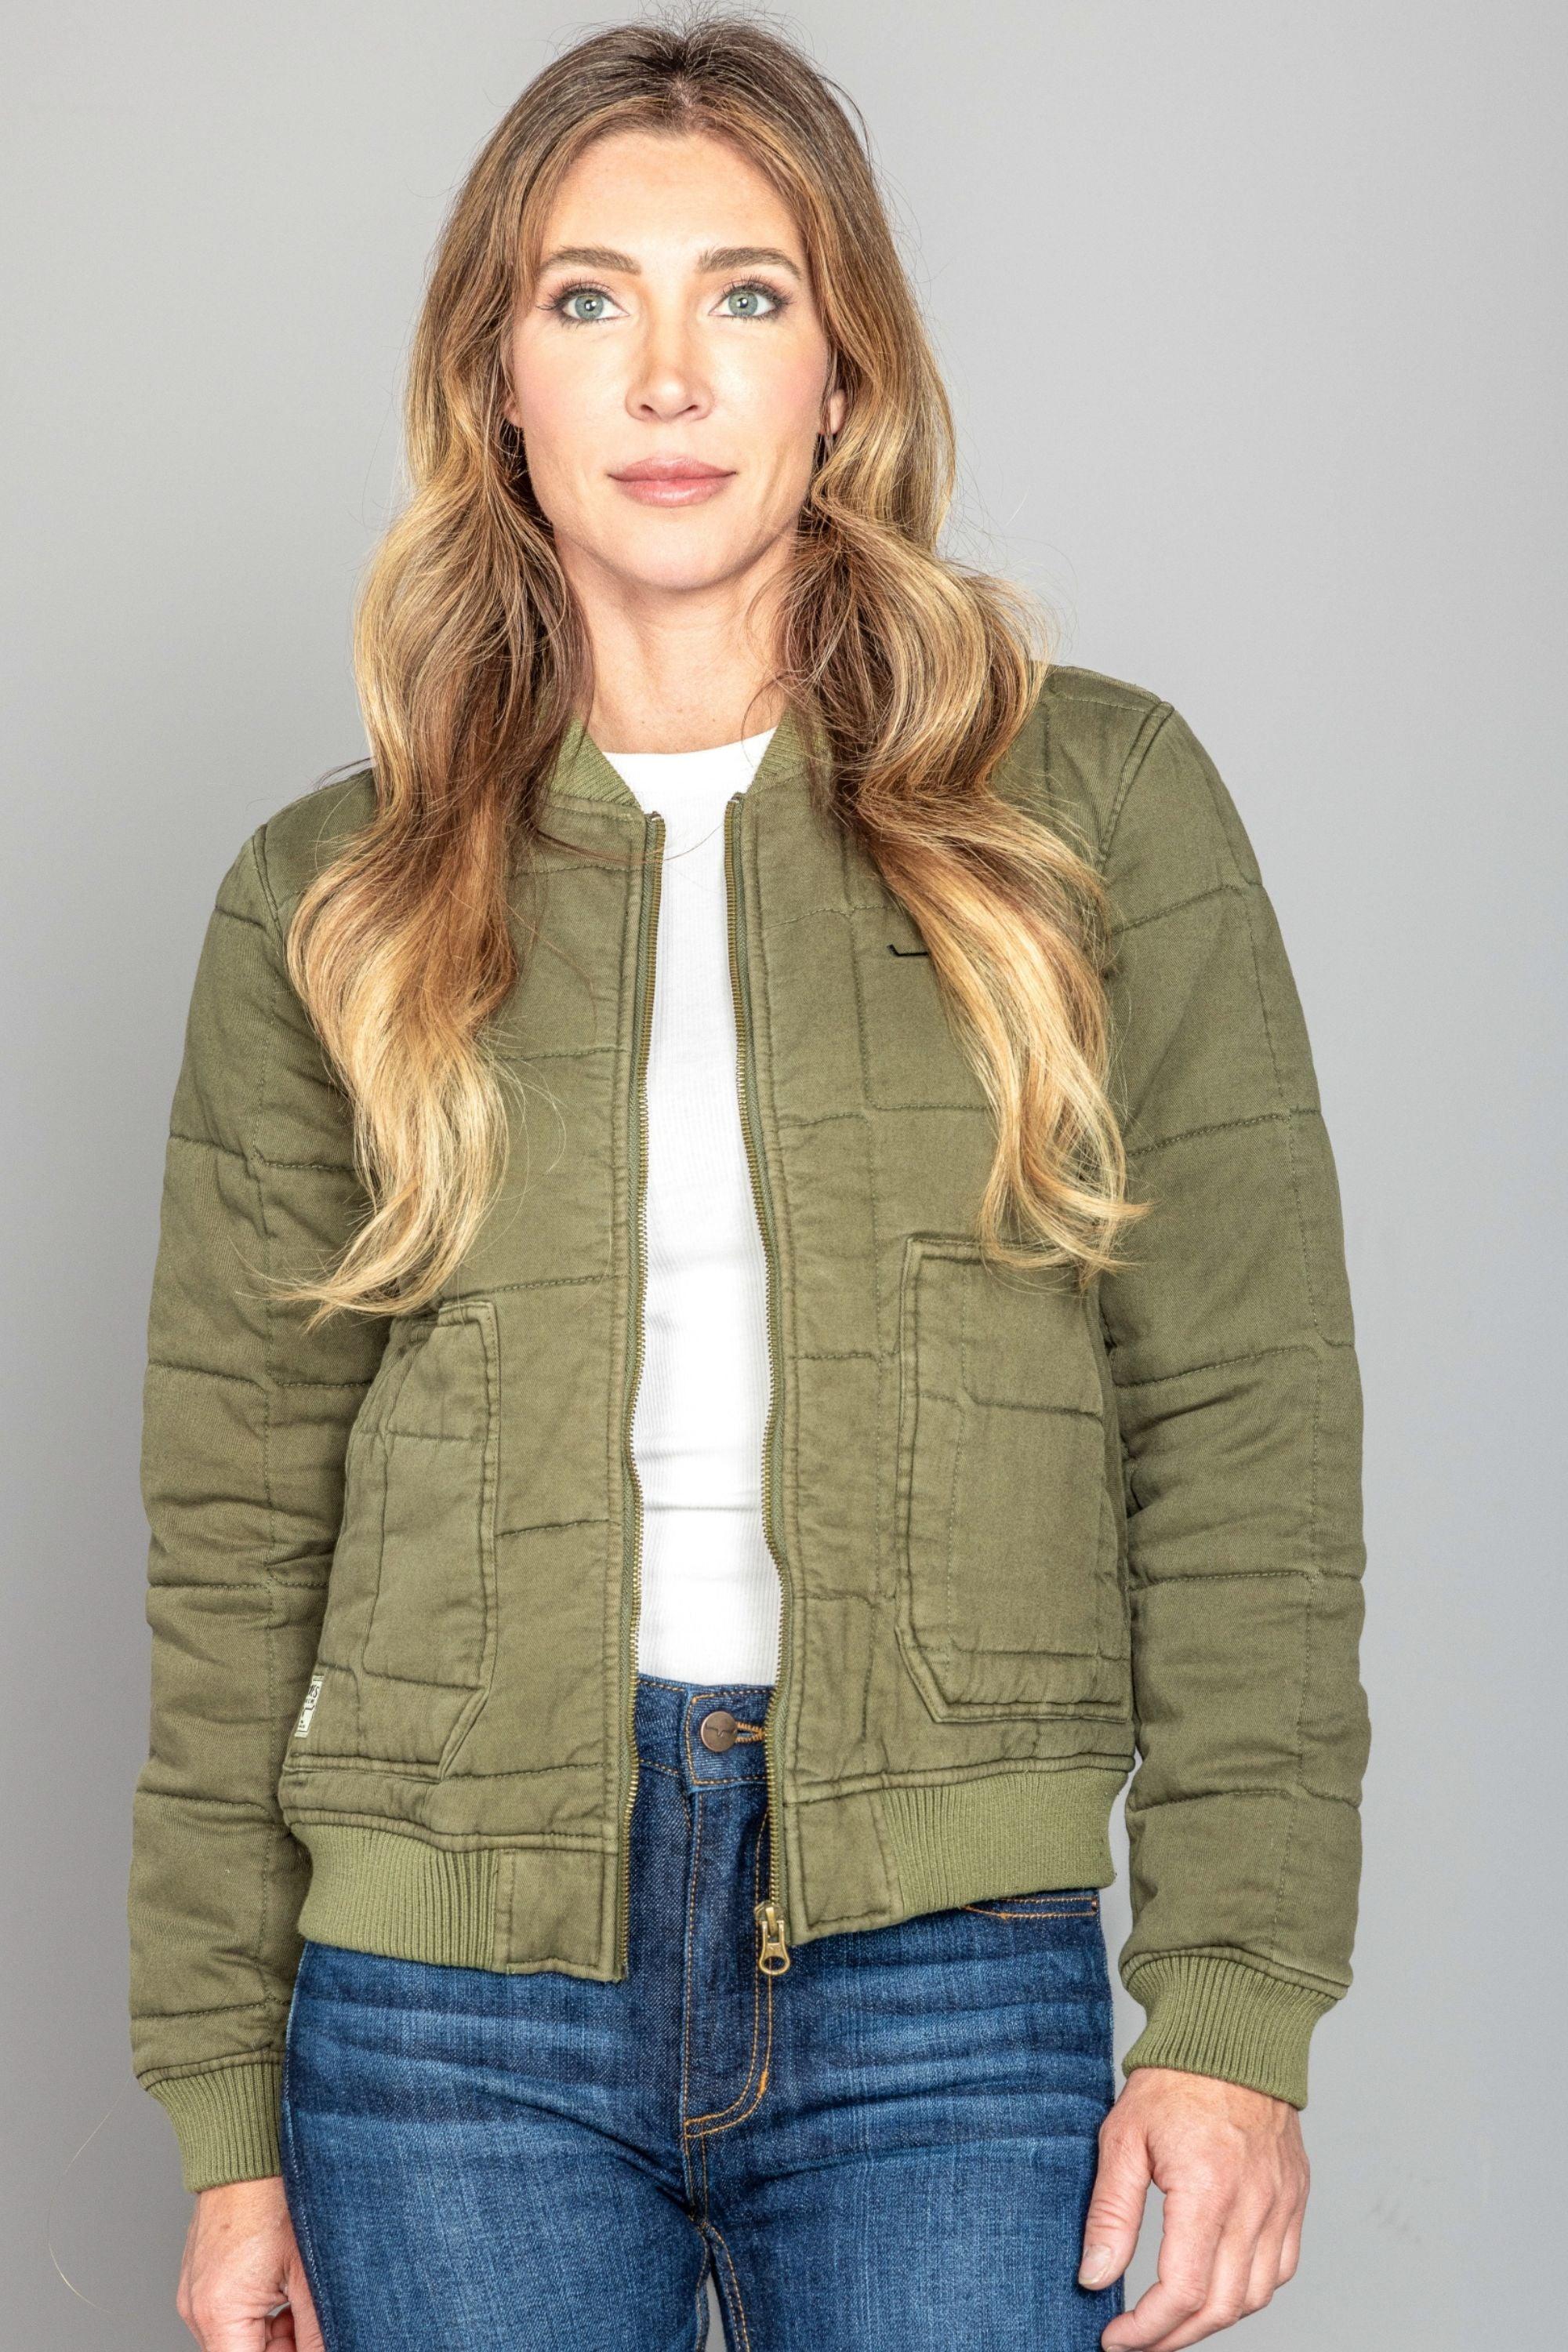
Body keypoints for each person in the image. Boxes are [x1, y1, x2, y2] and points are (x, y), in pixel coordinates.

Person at [127, 16, 1369, 2351]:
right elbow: (236, 1542)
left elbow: (1247, 1437)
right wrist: (223, 2119)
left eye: (750, 295)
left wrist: (1232, 2011)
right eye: (590, 299)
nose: (670, 376)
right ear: (499, 380)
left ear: (842, 370)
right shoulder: (330, 899)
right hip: (442, 2009)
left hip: (947, 1976)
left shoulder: (1091, 817)